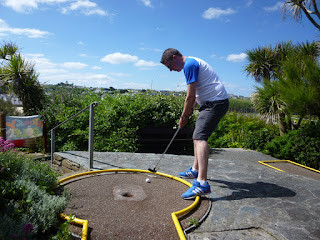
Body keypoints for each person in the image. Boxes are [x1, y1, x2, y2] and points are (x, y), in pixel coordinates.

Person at [160, 48, 229, 199]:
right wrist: (191, 108)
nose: (171, 70)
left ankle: (202, 183)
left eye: (169, 66)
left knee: (199, 138)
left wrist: (183, 117)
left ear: (174, 57)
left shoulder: (189, 65)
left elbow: (190, 95)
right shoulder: (191, 63)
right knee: (197, 135)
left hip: (215, 104)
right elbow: (198, 92)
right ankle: (195, 170)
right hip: (211, 104)